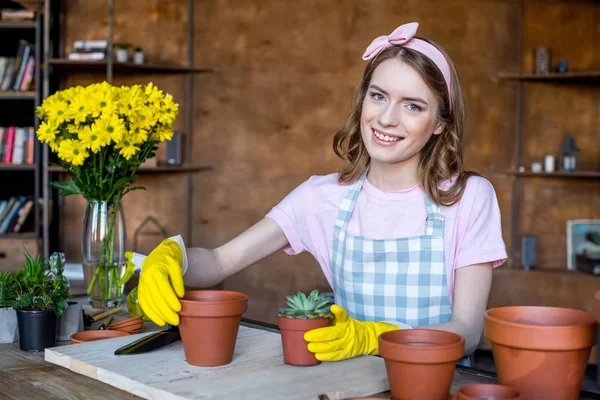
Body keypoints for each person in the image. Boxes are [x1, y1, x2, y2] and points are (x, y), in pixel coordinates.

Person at [129, 22, 507, 363]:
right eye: (378, 96)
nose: (387, 118)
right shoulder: (322, 198)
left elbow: (469, 332)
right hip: (347, 386)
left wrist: (375, 337)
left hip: (437, 387)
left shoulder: (469, 197)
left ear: (441, 123)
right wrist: (170, 256)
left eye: (413, 105)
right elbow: (219, 261)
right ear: (363, 100)